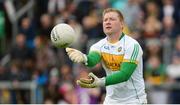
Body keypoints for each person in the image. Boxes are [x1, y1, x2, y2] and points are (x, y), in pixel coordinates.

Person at [66, 8, 147, 104]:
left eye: (112, 19)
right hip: (111, 100)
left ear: (122, 24)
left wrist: (100, 82)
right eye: (105, 20)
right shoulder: (98, 45)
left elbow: (125, 75)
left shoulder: (132, 45)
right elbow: (92, 60)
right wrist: (84, 58)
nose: (107, 22)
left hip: (134, 99)